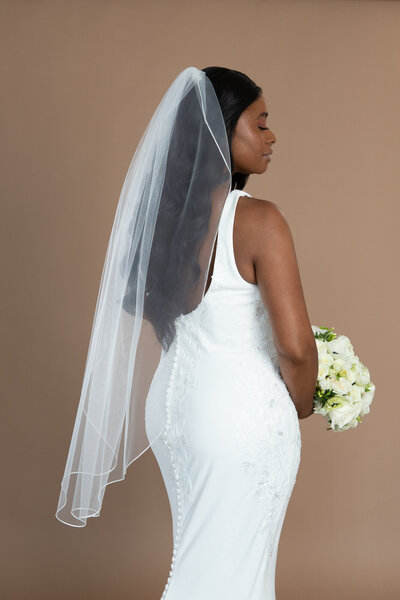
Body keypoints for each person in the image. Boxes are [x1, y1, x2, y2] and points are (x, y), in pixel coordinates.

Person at [56, 65, 318, 599]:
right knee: (235, 574)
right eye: (260, 122)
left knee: (200, 562)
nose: (271, 137)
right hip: (239, 421)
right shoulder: (261, 221)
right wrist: (305, 400)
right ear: (222, 131)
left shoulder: (166, 221)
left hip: (174, 415)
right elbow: (294, 348)